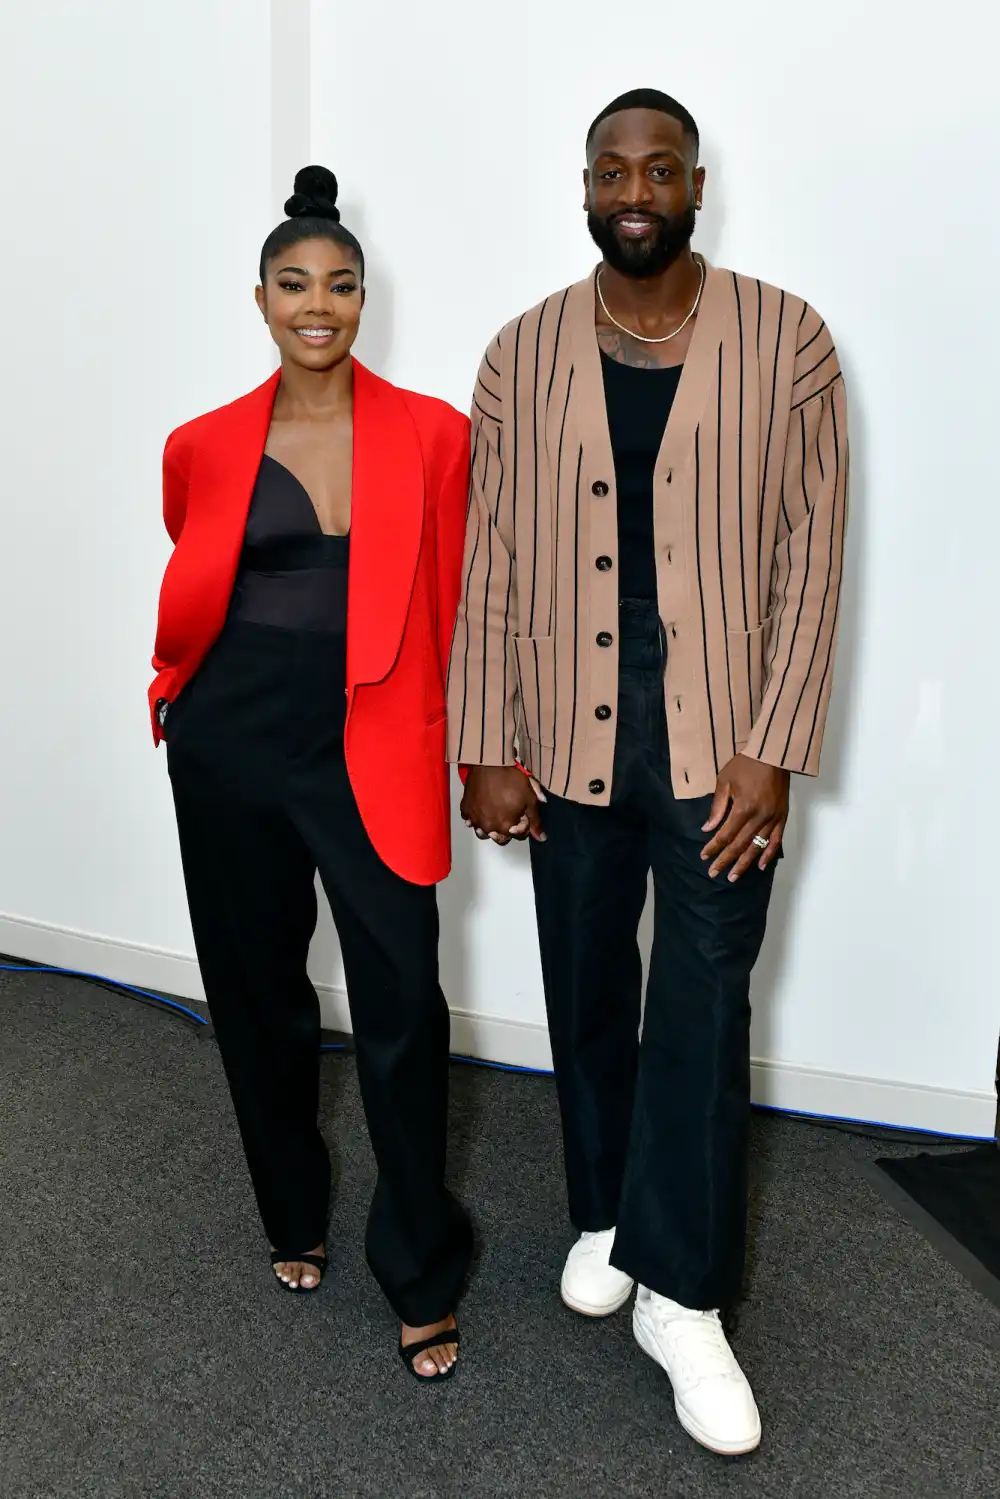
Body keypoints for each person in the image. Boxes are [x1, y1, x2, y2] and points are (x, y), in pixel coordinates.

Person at [448, 90, 848, 1451]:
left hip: (721, 750)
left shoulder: (789, 340)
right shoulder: (521, 354)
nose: (638, 187)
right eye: (614, 169)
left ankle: (683, 1292)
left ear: (695, 186)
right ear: (584, 187)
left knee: (704, 996)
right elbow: (491, 557)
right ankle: (610, 1206)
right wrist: (486, 736)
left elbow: (812, 556)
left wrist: (775, 745)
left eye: (660, 168)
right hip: (565, 740)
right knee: (585, 980)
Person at [150, 166, 472, 1381]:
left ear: (363, 297)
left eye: (339, 283)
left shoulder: (437, 432)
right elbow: (194, 563)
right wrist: (175, 692)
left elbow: (459, 599)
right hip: (229, 739)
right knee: (257, 990)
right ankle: (294, 1212)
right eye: (295, 284)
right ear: (261, 299)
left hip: (374, 743)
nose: (317, 303)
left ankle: (421, 1266)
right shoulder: (204, 441)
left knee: (401, 1009)